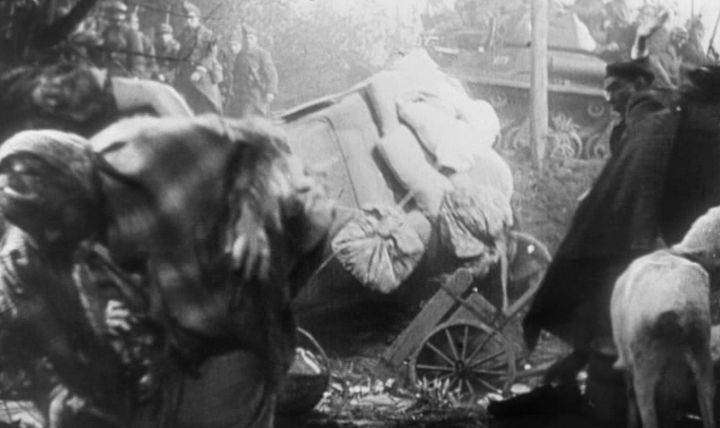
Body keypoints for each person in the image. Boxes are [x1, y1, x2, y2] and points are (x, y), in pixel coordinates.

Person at [0, 116, 335, 428]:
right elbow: (69, 363)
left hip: (243, 290)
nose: (53, 236)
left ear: (76, 177)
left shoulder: (140, 152)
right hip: (173, 341)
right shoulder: (37, 253)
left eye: (60, 218)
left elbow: (263, 142)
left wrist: (252, 210)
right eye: (41, 230)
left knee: (229, 374)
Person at [523, 66, 720, 387]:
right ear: (703, 108)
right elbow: (639, 203)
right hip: (629, 243)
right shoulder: (662, 133)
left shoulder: (695, 137)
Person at [603, 57, 665, 156]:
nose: (609, 98)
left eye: (616, 87)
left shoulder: (657, 123)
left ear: (639, 84)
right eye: (607, 92)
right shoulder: (625, 126)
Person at [174, 2, 223, 114]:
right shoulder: (183, 34)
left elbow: (210, 54)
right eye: (187, 18)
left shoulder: (207, 34)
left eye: (192, 18)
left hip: (203, 78)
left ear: (198, 18)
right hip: (186, 77)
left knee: (206, 108)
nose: (188, 21)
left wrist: (200, 70)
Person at [227, 25, 278, 118]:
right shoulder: (240, 55)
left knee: (256, 118)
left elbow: (272, 74)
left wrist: (270, 91)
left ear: (256, 39)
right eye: (246, 39)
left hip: (257, 93)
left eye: (251, 38)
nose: (248, 41)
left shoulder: (262, 54)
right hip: (241, 94)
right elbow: (235, 75)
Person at [99, 1, 144, 77]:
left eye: (118, 20)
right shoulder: (105, 33)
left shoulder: (131, 34)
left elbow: (137, 63)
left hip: (125, 76)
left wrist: (133, 76)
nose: (115, 23)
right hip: (106, 74)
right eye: (112, 20)